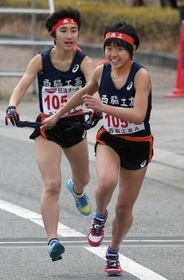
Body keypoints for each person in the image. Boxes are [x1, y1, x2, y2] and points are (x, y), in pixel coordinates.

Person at [41, 20, 153, 275]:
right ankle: (100, 216)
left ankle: (113, 252)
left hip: (138, 143)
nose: (113, 54)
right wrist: (56, 115)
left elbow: (138, 115)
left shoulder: (141, 75)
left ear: (132, 50)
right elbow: (81, 94)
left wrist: (102, 107)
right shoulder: (101, 72)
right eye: (109, 47)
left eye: (120, 49)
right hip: (110, 139)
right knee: (105, 182)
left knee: (124, 209)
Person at [5, 6, 94, 262]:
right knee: (51, 184)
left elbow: (93, 86)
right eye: (63, 30)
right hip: (48, 128)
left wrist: (95, 106)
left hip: (75, 126)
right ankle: (53, 239)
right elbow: (22, 85)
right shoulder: (41, 60)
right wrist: (13, 105)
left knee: (84, 178)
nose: (69, 35)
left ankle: (77, 192)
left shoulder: (83, 61)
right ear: (53, 34)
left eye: (73, 30)